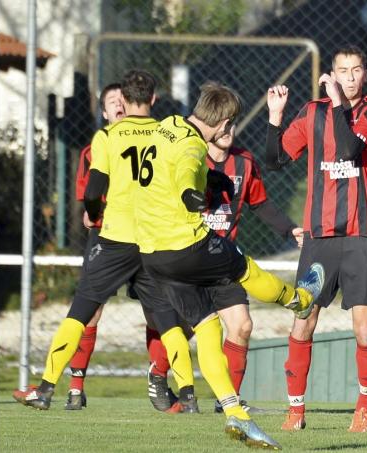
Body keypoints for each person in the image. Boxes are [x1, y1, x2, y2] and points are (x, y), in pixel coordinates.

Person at [134, 81, 327, 449]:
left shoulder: (168, 125)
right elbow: (186, 171)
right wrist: (194, 194)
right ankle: (299, 299)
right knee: (244, 268)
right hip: (188, 245)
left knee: (207, 326)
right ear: (223, 124)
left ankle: (235, 414)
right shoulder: (193, 147)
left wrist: (210, 179)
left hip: (153, 255)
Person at [12, 70, 196, 416]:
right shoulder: (167, 133)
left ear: (123, 101)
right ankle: (187, 393)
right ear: (154, 99)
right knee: (165, 316)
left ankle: (47, 388)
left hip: (116, 237)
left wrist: (94, 211)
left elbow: (94, 190)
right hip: (154, 238)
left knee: (82, 309)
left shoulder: (108, 136)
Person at [265, 46, 367, 433]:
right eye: (342, 71)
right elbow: (274, 160)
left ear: (365, 73)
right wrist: (275, 117)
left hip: (362, 235)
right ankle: (296, 410)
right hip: (320, 237)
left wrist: (337, 102)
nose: (349, 77)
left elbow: (352, 151)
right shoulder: (312, 112)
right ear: (332, 73)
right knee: (303, 321)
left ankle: (365, 408)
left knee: (364, 328)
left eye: (355, 70)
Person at [151, 123, 305, 413]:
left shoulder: (244, 162)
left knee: (242, 325)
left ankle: (228, 402)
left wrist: (290, 229)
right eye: (221, 123)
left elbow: (260, 203)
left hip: (222, 261)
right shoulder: (189, 155)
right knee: (185, 327)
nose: (226, 129)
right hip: (189, 255)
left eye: (231, 123)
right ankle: (158, 373)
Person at [63, 82, 127, 410]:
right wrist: (93, 213)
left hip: (143, 234)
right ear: (104, 112)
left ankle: (164, 384)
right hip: (104, 236)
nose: (119, 105)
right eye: (112, 102)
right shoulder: (94, 150)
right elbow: (85, 196)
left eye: (123, 100)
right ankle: (75, 388)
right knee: (91, 311)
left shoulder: (151, 144)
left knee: (161, 309)